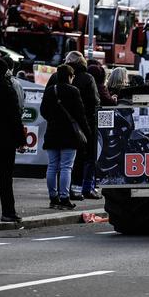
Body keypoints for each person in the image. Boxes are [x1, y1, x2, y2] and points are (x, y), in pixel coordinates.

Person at [46, 52, 100, 200]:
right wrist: (87, 129)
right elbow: (93, 104)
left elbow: (44, 107)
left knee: (53, 165)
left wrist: (53, 118)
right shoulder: (87, 79)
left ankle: (54, 194)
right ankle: (70, 192)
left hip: (54, 127)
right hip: (77, 128)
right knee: (70, 164)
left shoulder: (54, 78)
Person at [40, 64, 90, 210]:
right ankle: (64, 198)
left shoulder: (50, 90)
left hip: (52, 133)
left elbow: (43, 111)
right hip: (69, 134)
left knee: (52, 166)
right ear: (70, 76)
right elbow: (81, 115)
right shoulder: (74, 91)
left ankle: (53, 198)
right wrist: (87, 132)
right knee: (66, 167)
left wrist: (53, 119)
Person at [0, 58, 26, 222]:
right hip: (5, 140)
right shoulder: (7, 89)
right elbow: (14, 118)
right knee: (5, 178)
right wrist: (21, 140)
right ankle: (8, 212)